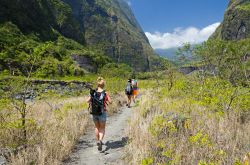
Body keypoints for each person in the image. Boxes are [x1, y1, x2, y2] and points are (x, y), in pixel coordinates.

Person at [87, 77, 112, 151]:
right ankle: (100, 140)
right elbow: (110, 102)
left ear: (97, 84)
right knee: (102, 128)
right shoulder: (105, 92)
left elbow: (87, 101)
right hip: (102, 112)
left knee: (96, 127)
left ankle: (98, 141)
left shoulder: (93, 92)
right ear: (103, 85)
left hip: (94, 112)